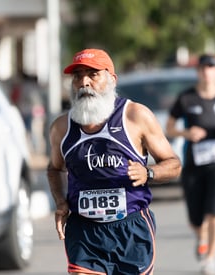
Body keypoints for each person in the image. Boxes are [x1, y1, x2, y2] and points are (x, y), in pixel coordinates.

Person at [47, 48, 182, 275]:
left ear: (112, 79)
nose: (84, 82)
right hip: (84, 230)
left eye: (93, 74)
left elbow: (173, 164)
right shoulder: (61, 128)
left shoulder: (135, 116)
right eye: (78, 76)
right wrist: (61, 202)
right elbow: (54, 169)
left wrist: (148, 173)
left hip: (131, 228)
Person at [165, 54, 215, 275]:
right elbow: (169, 127)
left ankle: (210, 258)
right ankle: (201, 236)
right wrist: (186, 132)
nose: (207, 72)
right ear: (198, 72)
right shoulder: (186, 99)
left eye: (212, 68)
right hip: (194, 162)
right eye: (203, 68)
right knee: (195, 216)